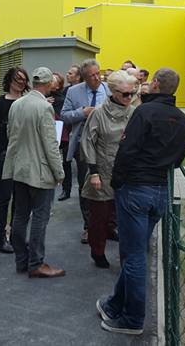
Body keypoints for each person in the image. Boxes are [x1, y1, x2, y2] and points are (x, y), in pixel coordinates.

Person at [97, 68, 185, 335]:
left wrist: (117, 182)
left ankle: (132, 319)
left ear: (156, 84)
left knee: (134, 255)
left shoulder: (144, 113)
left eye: (150, 82)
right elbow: (178, 159)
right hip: (161, 191)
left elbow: (127, 151)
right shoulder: (183, 121)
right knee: (136, 253)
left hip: (136, 190)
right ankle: (115, 304)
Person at [3, 67, 66, 278]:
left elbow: (10, 134)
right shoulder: (44, 108)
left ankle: (22, 260)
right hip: (39, 172)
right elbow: (50, 144)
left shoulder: (17, 104)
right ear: (48, 85)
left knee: (20, 215)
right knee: (40, 216)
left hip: (19, 168)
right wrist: (60, 173)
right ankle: (36, 263)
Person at [80, 70, 136, 268]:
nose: (130, 97)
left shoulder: (134, 112)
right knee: (100, 216)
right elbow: (88, 142)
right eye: (125, 94)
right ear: (113, 92)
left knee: (126, 216)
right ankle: (98, 251)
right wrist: (93, 171)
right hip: (103, 170)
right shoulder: (99, 113)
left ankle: (127, 256)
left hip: (127, 172)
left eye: (132, 93)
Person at [61, 59, 110, 243]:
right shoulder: (74, 91)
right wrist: (82, 112)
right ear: (84, 77)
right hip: (83, 145)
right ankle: (88, 227)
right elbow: (65, 115)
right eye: (92, 75)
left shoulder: (109, 89)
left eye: (99, 73)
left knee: (108, 185)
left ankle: (109, 226)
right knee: (86, 186)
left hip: (107, 146)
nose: (97, 78)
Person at [0, 67, 29, 254]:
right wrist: (2, 151)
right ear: (9, 80)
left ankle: (16, 236)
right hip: (4, 157)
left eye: (24, 80)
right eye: (18, 79)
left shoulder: (28, 103)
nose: (21, 83)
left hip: (24, 156)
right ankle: (1, 238)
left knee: (21, 199)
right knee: (3, 199)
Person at [58, 65, 82, 201]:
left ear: (78, 76)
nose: (67, 75)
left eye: (70, 73)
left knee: (81, 164)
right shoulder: (65, 91)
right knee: (65, 162)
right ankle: (65, 190)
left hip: (78, 132)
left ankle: (82, 190)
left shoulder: (85, 91)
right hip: (67, 132)